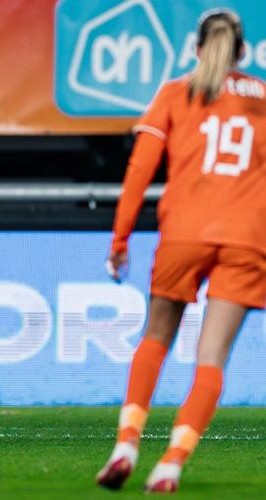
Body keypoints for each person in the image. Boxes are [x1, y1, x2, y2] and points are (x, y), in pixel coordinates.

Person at [95, 9, 266, 493]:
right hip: (246, 237)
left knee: (155, 338)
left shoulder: (175, 93)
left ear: (195, 49)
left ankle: (126, 445)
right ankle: (171, 462)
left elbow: (139, 171)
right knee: (212, 359)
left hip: (184, 233)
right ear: (244, 52)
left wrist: (120, 239)